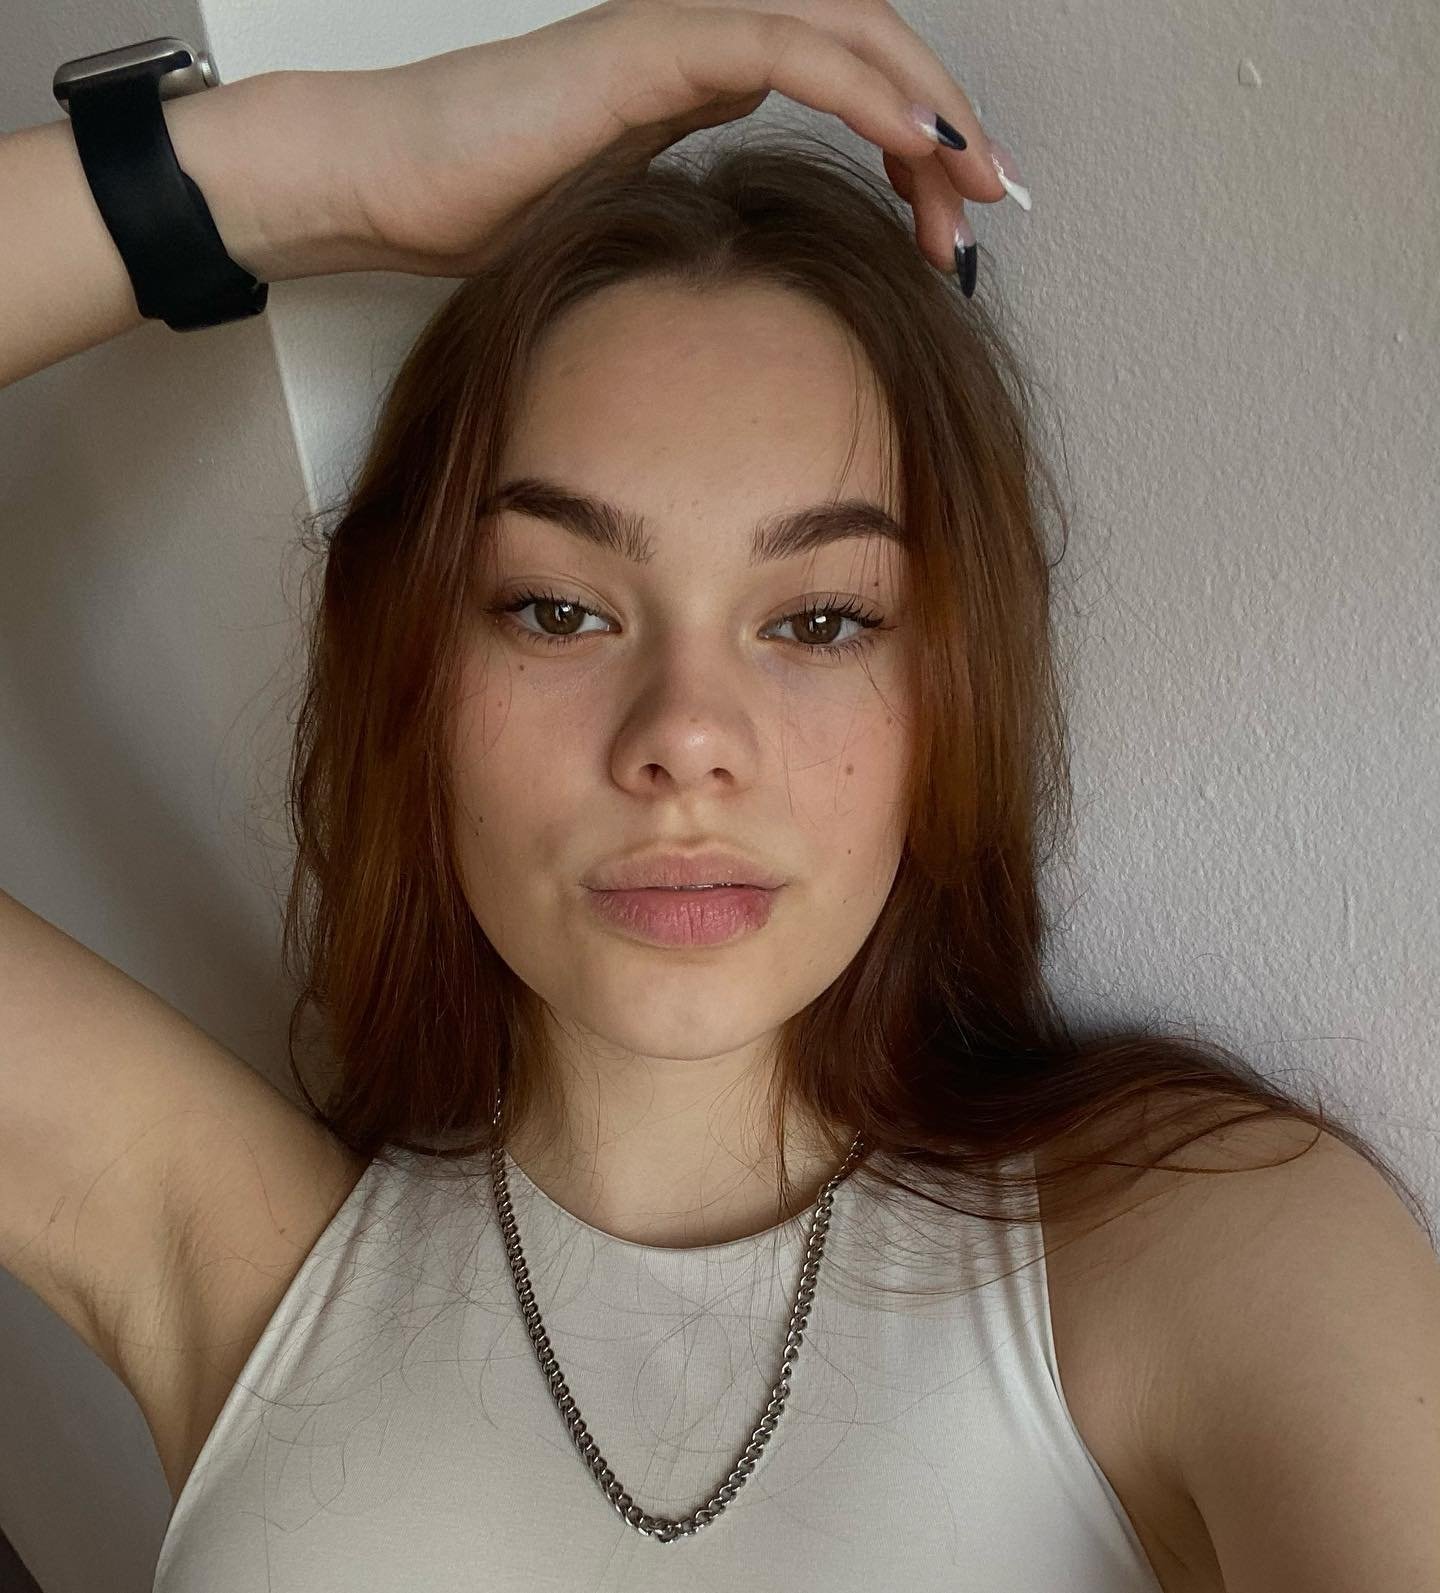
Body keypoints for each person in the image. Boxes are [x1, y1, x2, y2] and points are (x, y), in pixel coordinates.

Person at [2, 3, 1437, 1590]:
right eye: (558, 608)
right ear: (409, 664)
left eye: (819, 620)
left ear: (952, 691)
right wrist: (323, 164)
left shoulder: (1201, 1256)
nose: (686, 736)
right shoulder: (244, 1265)